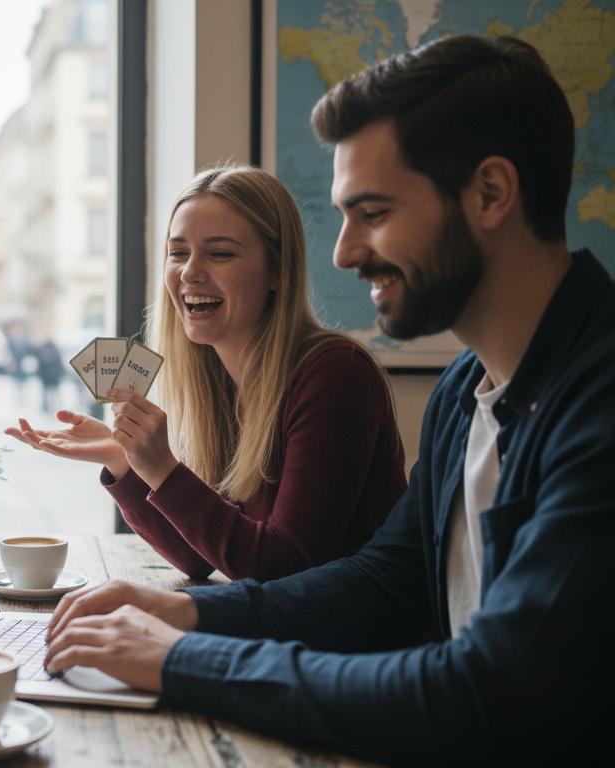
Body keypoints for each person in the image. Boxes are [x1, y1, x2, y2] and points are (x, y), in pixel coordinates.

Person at [42, 36, 614, 765]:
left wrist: (178, 658)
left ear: (491, 194)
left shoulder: (599, 401)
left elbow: (485, 691)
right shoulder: (461, 395)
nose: (343, 252)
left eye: (372, 211)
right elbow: (383, 583)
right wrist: (183, 610)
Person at [9, 164, 406, 581]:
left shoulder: (335, 374)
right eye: (178, 253)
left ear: (277, 271)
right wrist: (124, 460)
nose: (189, 272)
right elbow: (202, 557)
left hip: (351, 642)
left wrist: (163, 467)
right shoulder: (219, 382)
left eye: (220, 253)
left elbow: (283, 567)